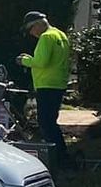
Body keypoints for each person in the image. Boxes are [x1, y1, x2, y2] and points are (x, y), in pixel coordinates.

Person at [18, 11, 73, 168]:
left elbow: (41, 62)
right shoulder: (60, 34)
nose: (31, 33)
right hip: (58, 83)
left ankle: (57, 158)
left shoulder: (46, 37)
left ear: (38, 24)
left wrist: (24, 60)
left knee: (46, 122)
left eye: (31, 29)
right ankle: (61, 155)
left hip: (47, 85)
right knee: (51, 121)